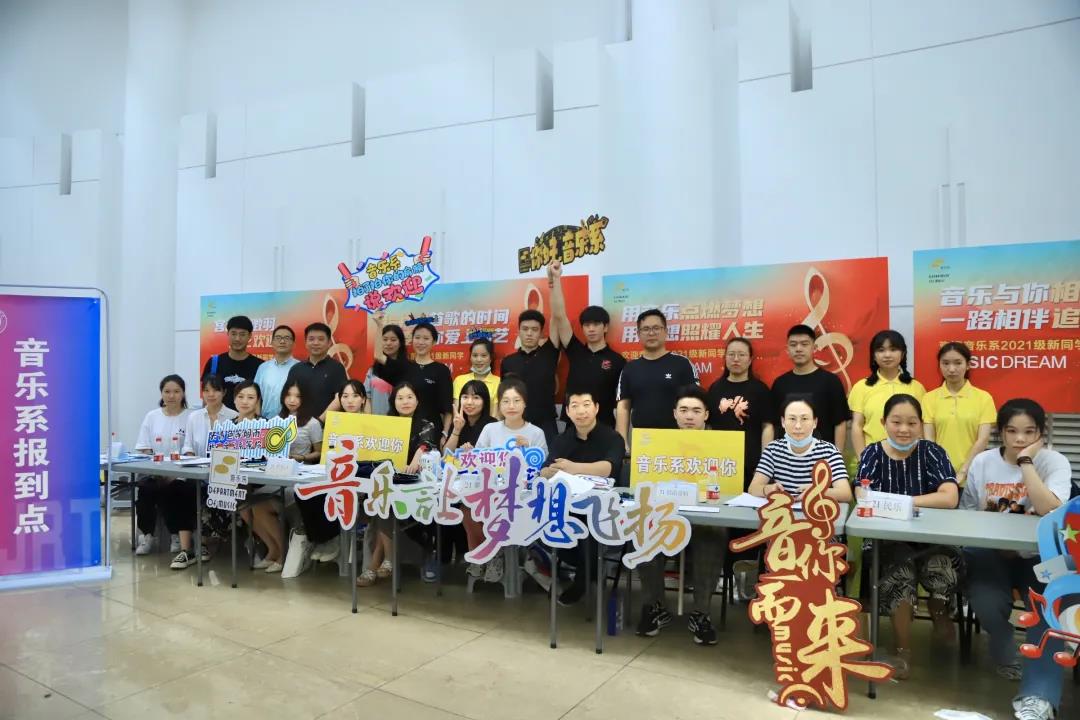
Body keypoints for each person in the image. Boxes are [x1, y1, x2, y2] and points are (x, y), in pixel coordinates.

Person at [962, 398, 1072, 691]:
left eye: (1029, 432)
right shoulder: (983, 462)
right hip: (990, 552)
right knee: (986, 602)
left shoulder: (1055, 462)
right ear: (1001, 432)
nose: (1020, 439)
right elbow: (967, 513)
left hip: (1043, 555)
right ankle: (1006, 651)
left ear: (1041, 433)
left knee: (1049, 606)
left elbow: (1050, 510)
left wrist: (1025, 462)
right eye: (1012, 431)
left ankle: (1040, 687)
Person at [854, 394, 960, 679]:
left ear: (921, 424)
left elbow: (949, 497)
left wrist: (902, 503)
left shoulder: (932, 452)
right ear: (883, 422)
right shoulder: (872, 454)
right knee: (900, 572)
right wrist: (916, 502)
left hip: (932, 538)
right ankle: (903, 650)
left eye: (912, 423)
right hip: (886, 540)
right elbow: (863, 495)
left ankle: (940, 612)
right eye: (896, 422)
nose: (904, 429)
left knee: (942, 565)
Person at [635, 386, 726, 645]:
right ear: (674, 414)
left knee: (714, 534)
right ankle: (655, 607)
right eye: (684, 410)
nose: (689, 416)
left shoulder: (723, 444)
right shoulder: (659, 443)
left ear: (706, 415)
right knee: (644, 528)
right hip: (666, 514)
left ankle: (701, 613)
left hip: (706, 514)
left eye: (696, 411)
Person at [538, 387, 625, 605]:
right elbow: (545, 469)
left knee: (588, 526)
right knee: (543, 524)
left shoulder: (612, 437)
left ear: (596, 408)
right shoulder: (562, 439)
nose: (581, 411)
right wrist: (548, 472)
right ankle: (589, 569)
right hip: (567, 505)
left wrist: (572, 468)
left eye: (586, 405)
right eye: (575, 406)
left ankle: (583, 580)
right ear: (567, 411)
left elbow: (608, 468)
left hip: (602, 508)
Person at [473, 377, 549, 583]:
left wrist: (528, 450)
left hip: (524, 496)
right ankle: (492, 554)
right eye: (506, 401)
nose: (511, 406)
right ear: (499, 404)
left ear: (525, 403)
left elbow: (542, 468)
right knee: (472, 510)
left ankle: (498, 554)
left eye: (517, 401)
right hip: (492, 491)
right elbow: (478, 460)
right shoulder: (490, 429)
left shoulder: (536, 433)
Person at [291, 380, 369, 579]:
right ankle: (322, 538)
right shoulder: (334, 423)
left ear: (363, 399)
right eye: (345, 396)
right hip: (333, 474)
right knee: (304, 493)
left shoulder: (373, 423)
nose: (350, 401)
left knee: (334, 493)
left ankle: (331, 539)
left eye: (355, 396)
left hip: (360, 477)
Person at [548, 260, 626, 427]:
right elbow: (559, 315)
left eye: (596, 324)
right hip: (573, 424)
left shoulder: (618, 361)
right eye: (587, 325)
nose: (591, 329)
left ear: (605, 327)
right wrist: (556, 279)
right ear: (582, 328)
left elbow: (623, 402)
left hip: (604, 427)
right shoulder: (575, 350)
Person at [615, 308, 698, 453]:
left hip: (679, 439)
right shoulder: (630, 368)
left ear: (665, 331)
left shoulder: (682, 364)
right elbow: (623, 407)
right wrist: (622, 442)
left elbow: (696, 402)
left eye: (656, 328)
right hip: (644, 441)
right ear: (638, 334)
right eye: (646, 329)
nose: (651, 333)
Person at [748, 397, 853, 502]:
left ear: (815, 422)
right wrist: (768, 489)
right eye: (792, 419)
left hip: (814, 510)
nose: (798, 426)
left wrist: (817, 491)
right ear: (783, 422)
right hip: (782, 509)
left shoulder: (829, 452)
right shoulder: (773, 449)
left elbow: (846, 494)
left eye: (804, 419)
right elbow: (753, 488)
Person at [133, 375, 192, 558]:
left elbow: (191, 451)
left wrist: (174, 473)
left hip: (181, 474)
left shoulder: (191, 417)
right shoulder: (152, 416)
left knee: (175, 490)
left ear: (183, 393)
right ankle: (147, 535)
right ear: (161, 393)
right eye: (167, 391)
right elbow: (143, 448)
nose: (171, 396)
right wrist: (157, 470)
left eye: (176, 391)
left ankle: (175, 535)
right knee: (145, 490)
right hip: (155, 472)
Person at [390, 381, 443, 582]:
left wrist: (417, 457)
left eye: (409, 397)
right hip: (391, 481)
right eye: (400, 398)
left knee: (425, 514)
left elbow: (426, 444)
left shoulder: (427, 424)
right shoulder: (386, 423)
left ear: (417, 400)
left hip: (418, 483)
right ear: (393, 401)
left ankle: (429, 552)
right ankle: (388, 559)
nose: (405, 402)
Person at [922, 341, 996, 485]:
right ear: (939, 365)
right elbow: (929, 441)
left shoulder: (983, 398)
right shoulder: (929, 398)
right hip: (939, 476)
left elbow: (982, 440)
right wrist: (940, 471)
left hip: (972, 476)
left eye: (958, 363)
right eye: (945, 363)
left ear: (968, 365)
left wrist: (963, 472)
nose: (951, 369)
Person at [707, 337, 775, 492]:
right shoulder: (715, 389)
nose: (736, 359)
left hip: (751, 463)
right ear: (725, 358)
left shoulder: (760, 390)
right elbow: (709, 425)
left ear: (750, 360)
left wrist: (764, 464)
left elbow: (767, 427)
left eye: (741, 355)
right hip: (720, 462)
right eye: (731, 354)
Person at [231, 381, 286, 573]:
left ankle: (283, 553)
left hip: (264, 483)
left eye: (250, 397)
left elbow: (275, 458)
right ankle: (272, 549)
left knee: (255, 505)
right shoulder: (227, 426)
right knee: (244, 509)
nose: (245, 401)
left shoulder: (267, 426)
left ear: (257, 401)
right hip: (239, 482)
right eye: (240, 397)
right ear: (234, 400)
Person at [446, 380, 498, 581]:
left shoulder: (492, 425)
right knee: (464, 512)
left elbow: (496, 459)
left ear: (485, 401)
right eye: (465, 397)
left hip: (487, 487)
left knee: (472, 511)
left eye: (476, 397)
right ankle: (480, 557)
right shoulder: (459, 422)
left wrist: (475, 454)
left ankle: (490, 556)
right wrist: (457, 430)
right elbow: (446, 455)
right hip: (461, 485)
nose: (469, 402)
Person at [769, 324, 850, 451]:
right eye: (793, 345)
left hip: (822, 457)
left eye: (804, 344)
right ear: (787, 349)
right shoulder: (779, 383)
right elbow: (774, 424)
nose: (798, 349)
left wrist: (837, 456)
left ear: (814, 348)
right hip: (786, 457)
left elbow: (840, 423)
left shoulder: (831, 381)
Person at [848, 329, 926, 457]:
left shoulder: (916, 388)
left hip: (910, 457)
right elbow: (857, 426)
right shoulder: (861, 387)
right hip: (874, 457)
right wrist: (863, 460)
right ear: (874, 355)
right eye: (881, 350)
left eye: (893, 349)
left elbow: (921, 427)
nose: (887, 355)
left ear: (903, 354)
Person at [500, 307, 561, 447]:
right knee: (513, 459)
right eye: (525, 329)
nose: (529, 333)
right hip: (515, 422)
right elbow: (503, 395)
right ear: (518, 331)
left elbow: (558, 317)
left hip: (545, 423)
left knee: (550, 460)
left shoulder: (550, 354)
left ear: (541, 332)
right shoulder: (508, 361)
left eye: (534, 329)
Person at [285, 322, 348, 419]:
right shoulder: (296, 369)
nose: (315, 343)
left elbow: (339, 398)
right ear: (306, 342)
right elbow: (288, 396)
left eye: (321, 339)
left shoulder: (337, 368)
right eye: (311, 339)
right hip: (299, 424)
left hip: (326, 424)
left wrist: (319, 421)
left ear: (329, 343)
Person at [201, 315, 263, 409]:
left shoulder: (259, 366)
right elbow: (206, 395)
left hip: (247, 417)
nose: (237, 338)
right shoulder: (214, 362)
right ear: (228, 334)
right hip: (218, 417)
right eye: (233, 334)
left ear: (250, 336)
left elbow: (260, 398)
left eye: (242, 334)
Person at [182, 375, 239, 457]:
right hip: (197, 464)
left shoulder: (234, 416)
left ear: (224, 392)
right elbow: (188, 447)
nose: (211, 394)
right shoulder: (193, 417)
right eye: (206, 390)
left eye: (216, 390)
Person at [254, 324, 299, 418]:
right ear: (272, 342)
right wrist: (258, 417)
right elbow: (256, 395)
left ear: (294, 343)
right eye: (278, 338)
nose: (282, 341)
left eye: (287, 338)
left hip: (291, 421)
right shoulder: (263, 368)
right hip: (265, 420)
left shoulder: (300, 367)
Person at [366, 321, 408, 415]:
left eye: (393, 340)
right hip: (375, 420)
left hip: (399, 420)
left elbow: (378, 355)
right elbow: (367, 397)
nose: (388, 343)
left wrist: (379, 326)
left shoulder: (406, 368)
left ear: (400, 343)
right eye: (385, 339)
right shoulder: (373, 370)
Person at [452, 338, 500, 413]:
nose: (478, 360)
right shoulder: (459, 380)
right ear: (470, 358)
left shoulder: (498, 382)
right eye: (475, 355)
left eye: (483, 356)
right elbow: (457, 410)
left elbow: (495, 414)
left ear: (491, 358)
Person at [279, 380, 322, 464]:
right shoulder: (276, 419)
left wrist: (302, 457)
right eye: (288, 394)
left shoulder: (313, 423)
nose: (292, 400)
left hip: (301, 468)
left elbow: (319, 452)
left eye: (298, 396)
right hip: (277, 466)